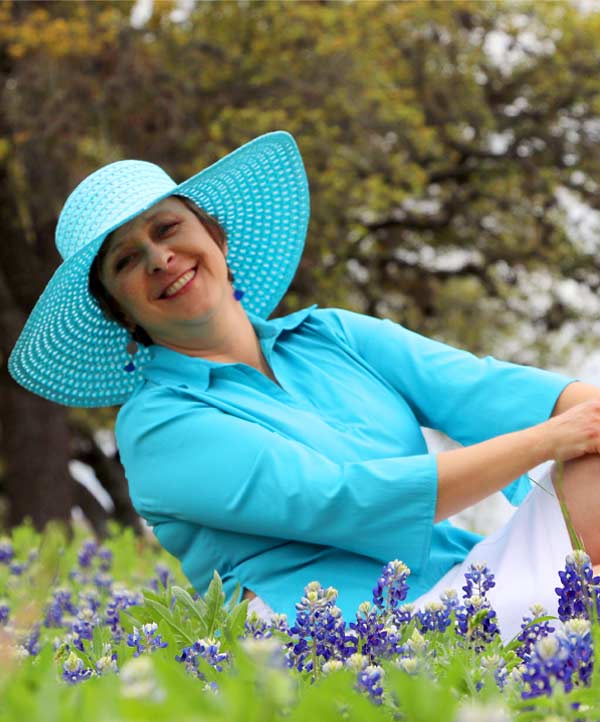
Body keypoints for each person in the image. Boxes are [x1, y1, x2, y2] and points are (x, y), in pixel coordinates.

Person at [9, 131, 600, 640]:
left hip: (478, 578)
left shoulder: (332, 335)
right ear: (119, 310)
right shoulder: (157, 425)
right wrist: (552, 439)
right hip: (349, 640)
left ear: (215, 237)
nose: (160, 258)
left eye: (168, 229)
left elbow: (493, 390)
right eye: (126, 261)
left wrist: (578, 417)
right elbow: (344, 500)